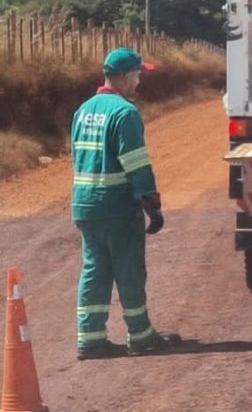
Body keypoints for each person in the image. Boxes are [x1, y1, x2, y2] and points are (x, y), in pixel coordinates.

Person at [71, 47, 180, 360]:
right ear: (122, 76)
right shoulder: (125, 112)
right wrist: (150, 201)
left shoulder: (83, 110)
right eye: (137, 74)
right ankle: (141, 335)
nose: (139, 80)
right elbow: (135, 162)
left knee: (95, 270)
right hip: (116, 207)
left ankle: (90, 339)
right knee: (129, 270)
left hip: (85, 206)